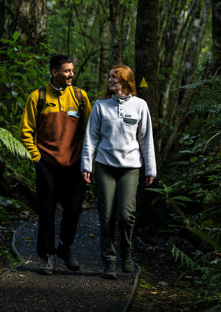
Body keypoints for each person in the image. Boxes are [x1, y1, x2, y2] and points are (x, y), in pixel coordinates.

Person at [81, 64, 156, 279]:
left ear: (126, 80)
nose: (111, 80)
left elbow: (146, 140)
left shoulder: (140, 105)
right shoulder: (100, 106)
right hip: (105, 166)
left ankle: (127, 254)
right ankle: (109, 260)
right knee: (106, 217)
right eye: (110, 76)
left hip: (130, 168)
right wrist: (86, 165)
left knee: (126, 215)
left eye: (116, 76)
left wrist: (151, 169)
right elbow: (91, 138)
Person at [19, 54, 92, 275]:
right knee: (47, 211)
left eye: (72, 70)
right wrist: (37, 158)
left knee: (74, 208)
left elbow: (90, 131)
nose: (71, 74)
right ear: (54, 72)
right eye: (67, 71)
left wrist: (86, 159)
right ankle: (48, 255)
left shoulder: (80, 97)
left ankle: (65, 248)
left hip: (74, 164)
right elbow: (26, 132)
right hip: (47, 164)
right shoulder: (38, 97)